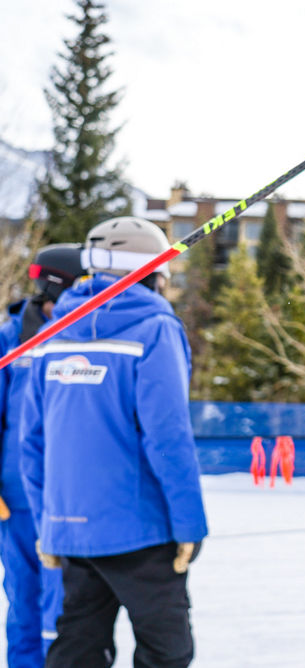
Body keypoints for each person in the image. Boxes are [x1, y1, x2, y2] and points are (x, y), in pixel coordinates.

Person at [20, 216, 209, 668]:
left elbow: (32, 442)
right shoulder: (154, 328)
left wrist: (49, 524)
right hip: (139, 533)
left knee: (78, 650)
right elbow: (167, 437)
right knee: (167, 652)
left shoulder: (54, 331)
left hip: (72, 531)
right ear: (148, 272)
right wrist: (189, 526)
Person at [0, 244, 82, 666]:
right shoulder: (9, 341)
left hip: (72, 500)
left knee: (71, 606)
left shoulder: (85, 337)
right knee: (26, 601)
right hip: (18, 504)